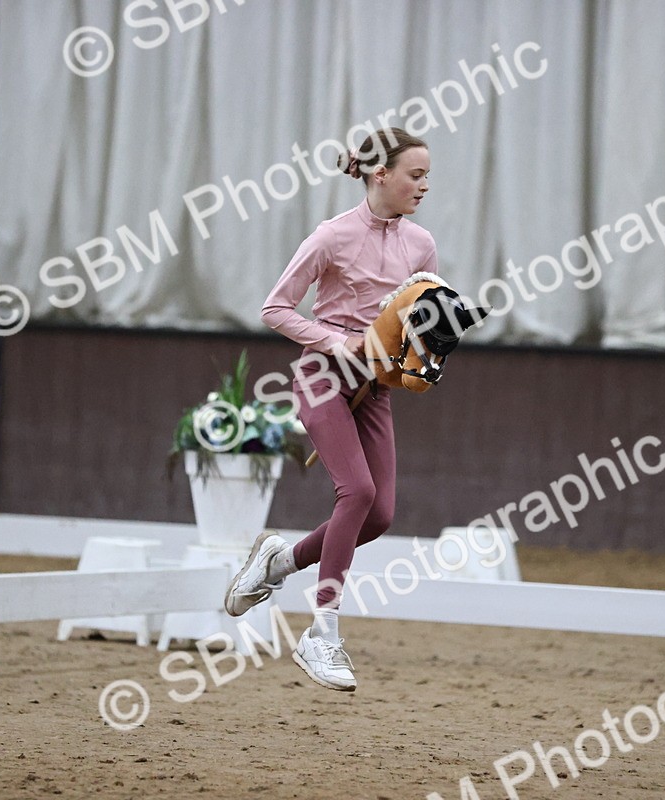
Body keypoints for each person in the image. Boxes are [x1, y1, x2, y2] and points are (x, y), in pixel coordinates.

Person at [224, 127, 436, 692]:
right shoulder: (331, 237)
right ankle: (323, 633)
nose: (423, 186)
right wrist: (331, 340)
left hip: (377, 386)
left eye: (427, 177)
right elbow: (275, 308)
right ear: (379, 174)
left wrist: (425, 354)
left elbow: (421, 320)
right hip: (323, 377)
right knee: (358, 494)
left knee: (382, 513)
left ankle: (279, 561)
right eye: (415, 175)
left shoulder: (422, 245)